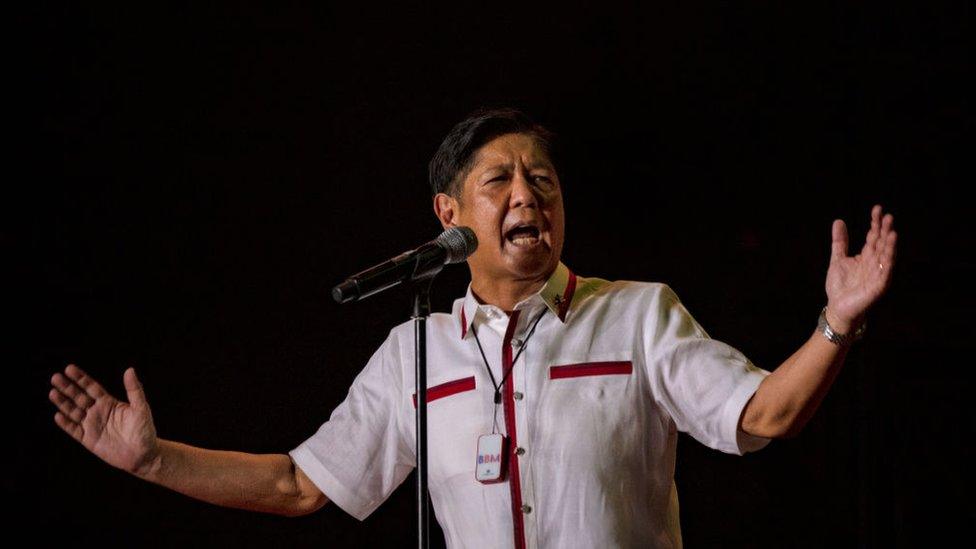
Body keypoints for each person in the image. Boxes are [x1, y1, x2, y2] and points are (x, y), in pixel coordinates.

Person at [49, 108, 897, 548]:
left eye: (544, 179)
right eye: (501, 180)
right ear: (449, 214)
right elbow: (298, 485)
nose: (530, 193)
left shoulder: (637, 315)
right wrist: (155, 461)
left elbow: (764, 414)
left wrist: (834, 323)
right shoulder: (415, 350)